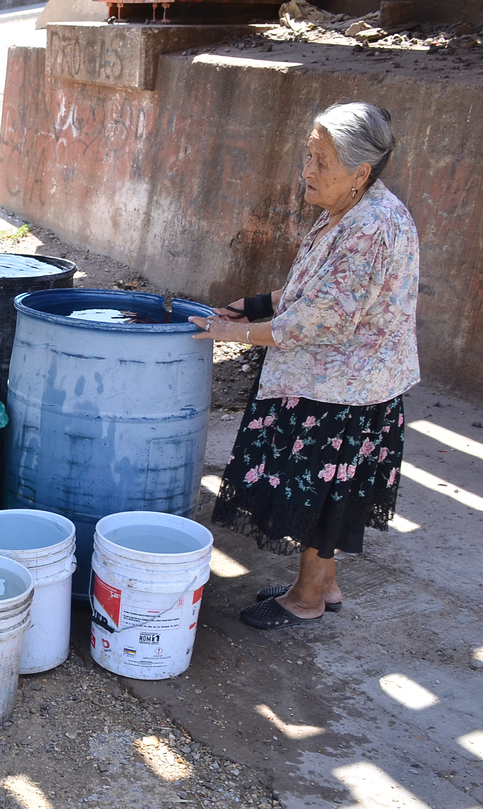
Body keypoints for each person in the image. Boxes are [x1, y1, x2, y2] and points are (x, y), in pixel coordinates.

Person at [189, 102, 419, 631]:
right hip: (336, 383)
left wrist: (233, 334)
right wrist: (254, 305)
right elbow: (313, 288)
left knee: (321, 495)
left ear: (360, 171)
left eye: (321, 161)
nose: (307, 170)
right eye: (308, 156)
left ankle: (308, 597)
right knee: (326, 492)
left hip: (345, 392)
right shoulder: (352, 205)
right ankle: (323, 584)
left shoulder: (371, 227)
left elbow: (322, 319)